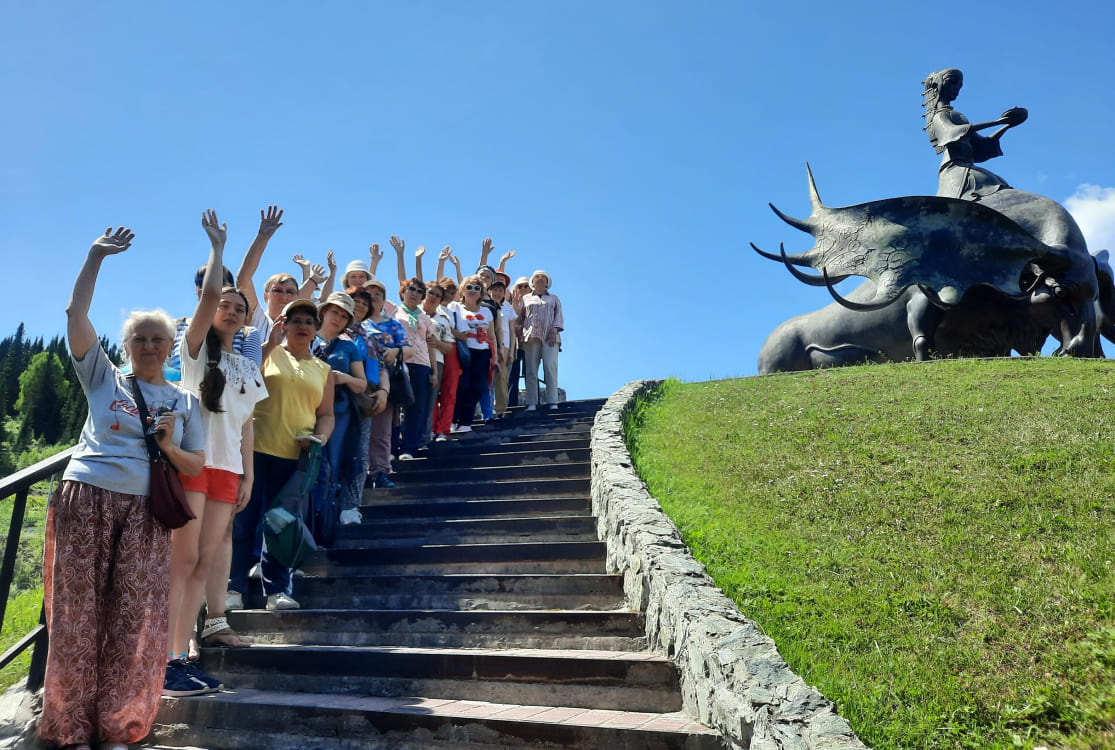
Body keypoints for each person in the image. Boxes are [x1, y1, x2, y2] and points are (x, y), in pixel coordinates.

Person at [42, 227, 205, 750]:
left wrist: (168, 444)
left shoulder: (184, 401)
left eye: (159, 338)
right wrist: (94, 256)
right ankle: (70, 727)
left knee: (136, 619)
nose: (150, 346)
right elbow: (75, 316)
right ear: (127, 345)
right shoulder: (104, 378)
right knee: (75, 615)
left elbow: (196, 463)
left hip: (146, 507)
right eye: (140, 338)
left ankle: (119, 726)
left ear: (170, 344)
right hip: (86, 494)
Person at [168, 210, 269, 696]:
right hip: (192, 464)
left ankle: (196, 641)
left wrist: (249, 475)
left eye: (239, 308)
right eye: (224, 305)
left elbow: (247, 424)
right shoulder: (193, 352)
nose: (230, 311)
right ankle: (171, 653)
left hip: (228, 470)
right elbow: (209, 295)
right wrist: (218, 249)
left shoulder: (247, 367)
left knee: (207, 561)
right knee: (183, 561)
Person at [229, 298, 335, 611]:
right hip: (253, 451)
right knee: (242, 522)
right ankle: (232, 588)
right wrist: (268, 345)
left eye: (308, 321)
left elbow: (326, 414)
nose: (302, 326)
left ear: (316, 329)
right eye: (295, 320)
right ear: (283, 324)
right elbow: (242, 382)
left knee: (281, 525)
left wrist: (321, 438)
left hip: (295, 456)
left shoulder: (324, 370)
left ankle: (276, 591)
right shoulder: (266, 352)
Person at [921, 68, 1028, 201]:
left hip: (968, 166)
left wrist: (1007, 125)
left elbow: (983, 143)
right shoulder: (939, 115)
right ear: (937, 86)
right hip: (955, 168)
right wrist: (997, 122)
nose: (956, 89)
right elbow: (952, 132)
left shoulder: (956, 114)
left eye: (959, 86)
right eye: (952, 83)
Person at [313, 292, 366, 529]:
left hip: (339, 412)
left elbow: (362, 383)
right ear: (323, 311)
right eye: (335, 312)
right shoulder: (307, 338)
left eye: (344, 316)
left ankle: (325, 519)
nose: (338, 318)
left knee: (332, 464)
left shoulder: (349, 346)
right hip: (306, 409)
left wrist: (342, 377)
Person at [340, 285, 388, 525]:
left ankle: (351, 506)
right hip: (337, 398)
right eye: (354, 300)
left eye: (363, 302)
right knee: (337, 453)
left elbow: (381, 368)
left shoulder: (370, 336)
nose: (359, 305)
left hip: (365, 399)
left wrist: (383, 392)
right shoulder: (333, 331)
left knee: (359, 454)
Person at [363, 277, 407, 487]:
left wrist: (395, 350)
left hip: (384, 380)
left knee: (381, 430)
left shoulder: (393, 324)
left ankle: (380, 471)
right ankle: (359, 472)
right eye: (368, 294)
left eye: (377, 294)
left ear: (384, 300)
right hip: (358, 380)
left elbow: (410, 349)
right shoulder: (355, 324)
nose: (373, 298)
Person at [450, 274, 497, 432]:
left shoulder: (487, 311)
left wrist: (495, 357)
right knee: (462, 386)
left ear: (481, 292)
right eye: (469, 287)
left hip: (482, 353)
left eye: (477, 288)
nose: (472, 290)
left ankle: (466, 422)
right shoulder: (455, 307)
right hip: (464, 351)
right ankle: (454, 419)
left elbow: (492, 336)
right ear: (462, 290)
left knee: (476, 387)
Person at [393, 278, 433, 459]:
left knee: (416, 408)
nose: (414, 293)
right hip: (399, 362)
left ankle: (409, 448)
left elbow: (431, 344)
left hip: (422, 364)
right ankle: (392, 447)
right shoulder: (393, 311)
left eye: (419, 291)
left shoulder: (425, 318)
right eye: (411, 289)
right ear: (403, 291)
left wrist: (434, 370)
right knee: (394, 407)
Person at [515, 269, 564, 410]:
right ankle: (531, 403)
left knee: (550, 367)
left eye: (544, 277)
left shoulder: (554, 298)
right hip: (530, 337)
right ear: (533, 281)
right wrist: (518, 335)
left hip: (550, 337)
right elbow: (520, 319)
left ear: (548, 282)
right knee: (531, 370)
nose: (541, 279)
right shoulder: (525, 299)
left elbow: (558, 315)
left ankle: (552, 401)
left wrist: (555, 330)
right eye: (537, 277)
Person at [421, 283, 456, 444]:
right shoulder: (413, 313)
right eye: (431, 293)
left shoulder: (443, 320)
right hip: (414, 360)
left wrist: (437, 343)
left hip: (437, 362)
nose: (433, 297)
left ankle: (425, 437)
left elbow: (449, 347)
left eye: (437, 295)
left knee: (430, 401)